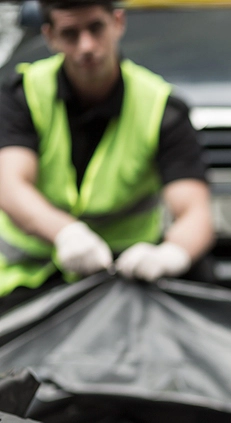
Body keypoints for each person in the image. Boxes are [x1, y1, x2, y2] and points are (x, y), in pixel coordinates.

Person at [0, 0, 213, 313]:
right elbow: (10, 184)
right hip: (30, 279)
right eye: (70, 34)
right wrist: (66, 233)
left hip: (126, 276)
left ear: (118, 23)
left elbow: (195, 212)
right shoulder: (23, 94)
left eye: (95, 28)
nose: (86, 46)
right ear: (50, 37)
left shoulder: (160, 107)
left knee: (200, 278)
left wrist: (169, 255)